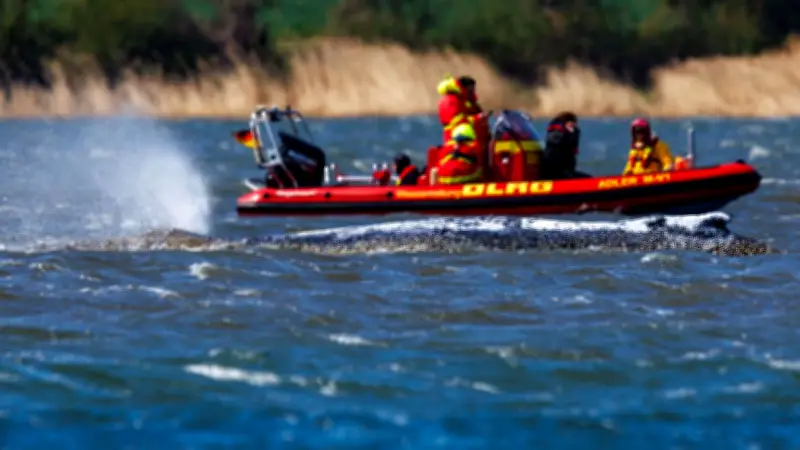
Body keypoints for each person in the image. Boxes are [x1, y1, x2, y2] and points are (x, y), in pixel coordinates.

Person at [437, 75, 488, 147]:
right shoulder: (450, 100)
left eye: (473, 90)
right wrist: (477, 118)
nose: (473, 93)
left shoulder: (464, 101)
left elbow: (473, 114)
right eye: (470, 91)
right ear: (463, 89)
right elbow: (457, 121)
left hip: (471, 141)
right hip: (456, 141)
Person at [541, 111, 591, 180]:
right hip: (554, 171)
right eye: (571, 124)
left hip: (565, 170)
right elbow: (558, 148)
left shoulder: (572, 133)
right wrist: (570, 134)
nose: (573, 127)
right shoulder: (557, 132)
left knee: (588, 177)